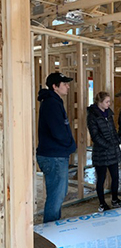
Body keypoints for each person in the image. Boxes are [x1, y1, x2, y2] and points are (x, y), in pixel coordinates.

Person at [36, 72, 76, 223]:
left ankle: (53, 226)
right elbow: (58, 132)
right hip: (54, 156)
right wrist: (70, 144)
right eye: (64, 84)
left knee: (58, 193)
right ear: (55, 86)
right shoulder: (52, 104)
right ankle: (50, 232)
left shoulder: (53, 101)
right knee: (56, 195)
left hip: (55, 155)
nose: (68, 86)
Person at [87, 91, 121, 212]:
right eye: (107, 102)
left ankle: (115, 199)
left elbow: (113, 130)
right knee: (101, 179)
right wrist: (107, 145)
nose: (109, 104)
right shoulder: (92, 116)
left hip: (112, 151)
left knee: (115, 177)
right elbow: (95, 136)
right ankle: (102, 203)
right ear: (100, 102)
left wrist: (117, 140)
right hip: (101, 153)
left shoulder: (109, 114)